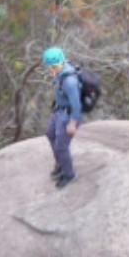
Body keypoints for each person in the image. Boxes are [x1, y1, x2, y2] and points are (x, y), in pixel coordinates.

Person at [43, 47, 83, 189]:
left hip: (69, 115)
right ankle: (61, 163)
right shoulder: (61, 74)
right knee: (50, 134)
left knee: (61, 146)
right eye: (50, 67)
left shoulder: (69, 81)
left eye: (53, 66)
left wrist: (72, 124)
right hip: (59, 111)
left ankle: (69, 174)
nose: (51, 69)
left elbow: (76, 105)